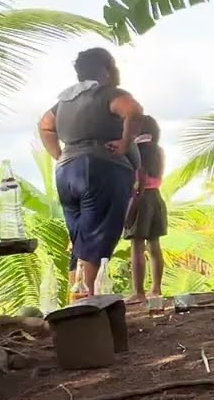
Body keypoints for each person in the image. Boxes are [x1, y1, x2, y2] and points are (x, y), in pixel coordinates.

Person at [38, 48, 142, 297]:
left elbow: (44, 125)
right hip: (100, 169)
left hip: (66, 174)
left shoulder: (64, 101)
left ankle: (76, 299)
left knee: (81, 240)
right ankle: (89, 301)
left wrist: (59, 155)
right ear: (107, 70)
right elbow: (133, 110)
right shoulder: (108, 94)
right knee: (96, 238)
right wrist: (125, 143)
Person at [123, 115, 166, 304]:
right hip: (156, 196)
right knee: (154, 244)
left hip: (139, 198)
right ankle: (156, 288)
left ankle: (138, 291)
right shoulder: (159, 151)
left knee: (137, 246)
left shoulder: (132, 150)